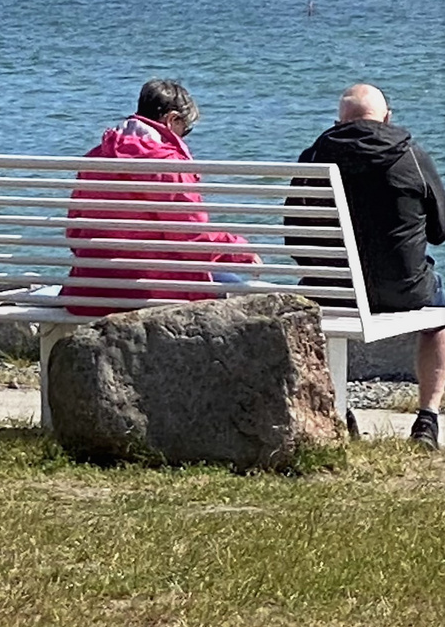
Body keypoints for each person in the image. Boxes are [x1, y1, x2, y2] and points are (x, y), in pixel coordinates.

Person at [296, 84, 445, 448]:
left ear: (339, 122)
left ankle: (338, 406)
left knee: (316, 288)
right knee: (441, 311)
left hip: (335, 290)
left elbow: (296, 235)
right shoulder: (410, 155)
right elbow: (441, 232)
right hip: (403, 291)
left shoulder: (315, 157)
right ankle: (427, 419)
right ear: (387, 117)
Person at [64, 79, 260, 315]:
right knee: (254, 298)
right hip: (160, 293)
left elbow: (75, 235)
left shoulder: (94, 160)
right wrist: (241, 251)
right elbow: (194, 242)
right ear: (172, 120)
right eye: (186, 129)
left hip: (92, 291)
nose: (184, 137)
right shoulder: (168, 165)